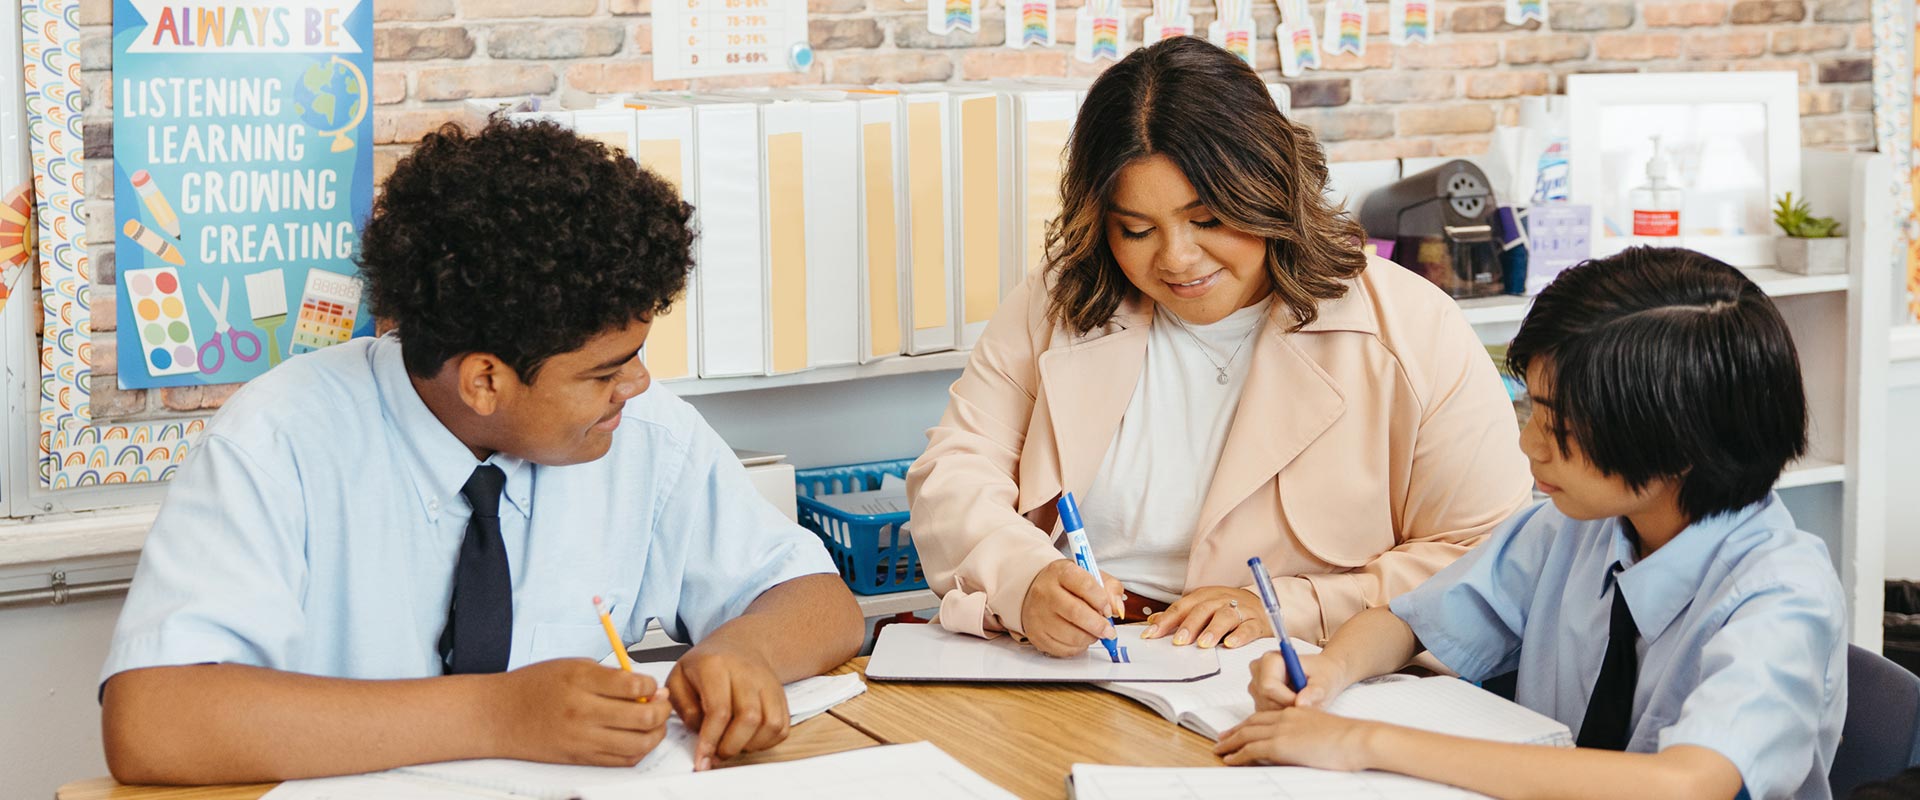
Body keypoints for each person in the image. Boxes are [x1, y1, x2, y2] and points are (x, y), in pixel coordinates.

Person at [98, 120, 865, 784]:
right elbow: (152, 721)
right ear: (486, 381)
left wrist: (743, 653)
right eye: (604, 370)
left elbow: (817, 600)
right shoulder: (279, 442)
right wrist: (498, 714)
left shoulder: (640, 431)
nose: (637, 382)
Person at [905, 36, 1531, 657]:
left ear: (1269, 190)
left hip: (1306, 674)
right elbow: (953, 474)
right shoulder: (1058, 301)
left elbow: (1486, 557)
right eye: (1137, 230)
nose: (1176, 259)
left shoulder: (1411, 328)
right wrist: (1027, 580)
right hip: (1086, 662)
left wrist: (1289, 609)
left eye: (1207, 219)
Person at [1219, 247, 1846, 800]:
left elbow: (1685, 784)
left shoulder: (1781, 595)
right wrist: (1325, 677)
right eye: (1532, 411)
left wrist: (1362, 742)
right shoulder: (1578, 525)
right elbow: (1406, 621)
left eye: (1562, 428)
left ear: (1680, 447)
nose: (1529, 446)